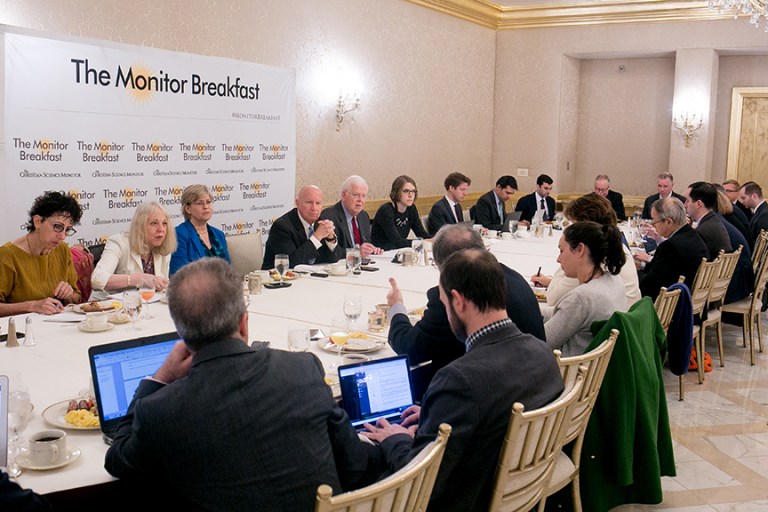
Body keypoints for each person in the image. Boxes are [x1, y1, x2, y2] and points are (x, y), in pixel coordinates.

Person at [104, 258, 375, 511]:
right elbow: (354, 463)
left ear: (182, 336)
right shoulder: (303, 369)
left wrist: (161, 377)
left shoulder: (161, 410)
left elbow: (117, 461)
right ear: (244, 323)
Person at [363, 249, 563, 512]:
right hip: (521, 495)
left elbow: (420, 480)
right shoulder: (544, 353)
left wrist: (394, 438)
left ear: (457, 301)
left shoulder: (459, 379)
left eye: (445, 304)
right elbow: (487, 414)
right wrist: (436, 414)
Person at [386, 222, 545, 382]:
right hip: (533, 385)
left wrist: (396, 307)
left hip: (484, 388)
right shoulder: (515, 278)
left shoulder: (455, 297)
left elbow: (410, 350)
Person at [531, 193, 641, 310]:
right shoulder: (616, 247)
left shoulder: (594, 257)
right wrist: (551, 282)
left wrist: (568, 252)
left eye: (574, 224)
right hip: (628, 319)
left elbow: (553, 297)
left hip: (611, 325)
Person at [544, 221, 627, 356]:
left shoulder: (582, 298)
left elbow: (542, 342)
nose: (558, 259)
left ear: (580, 249)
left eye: (561, 251)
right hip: (595, 369)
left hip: (568, 372)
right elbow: (564, 316)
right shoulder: (614, 281)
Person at [0, 191, 83, 317]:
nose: (62, 236)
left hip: (57, 326)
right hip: (22, 330)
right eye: (58, 227)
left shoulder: (63, 250)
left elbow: (78, 298)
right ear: (37, 221)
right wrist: (32, 306)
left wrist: (69, 294)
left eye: (67, 230)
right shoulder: (8, 254)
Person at [90, 202, 176, 300]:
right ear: (140, 226)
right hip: (111, 308)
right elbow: (97, 279)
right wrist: (139, 279)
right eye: (154, 223)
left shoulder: (163, 248)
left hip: (147, 307)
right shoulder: (119, 243)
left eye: (164, 223)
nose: (161, 229)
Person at [635, 197, 708, 300]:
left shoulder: (671, 247)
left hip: (672, 306)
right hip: (687, 300)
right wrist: (641, 265)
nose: (653, 225)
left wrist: (631, 273)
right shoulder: (693, 235)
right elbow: (660, 271)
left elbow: (649, 286)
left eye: (655, 221)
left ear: (668, 222)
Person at [262, 185, 342, 269]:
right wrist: (316, 237)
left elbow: (334, 258)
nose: (314, 208)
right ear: (297, 203)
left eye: (318, 203)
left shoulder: (321, 221)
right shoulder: (282, 227)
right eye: (309, 202)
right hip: (277, 278)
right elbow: (290, 264)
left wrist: (330, 239)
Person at [169, 184, 230, 275]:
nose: (206, 206)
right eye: (200, 203)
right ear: (188, 209)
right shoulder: (179, 234)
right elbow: (178, 273)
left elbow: (228, 268)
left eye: (208, 202)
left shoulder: (219, 234)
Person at [320, 175, 383, 259]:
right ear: (343, 195)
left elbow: (364, 247)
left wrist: (371, 249)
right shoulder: (329, 216)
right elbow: (331, 253)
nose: (360, 200)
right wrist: (356, 252)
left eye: (363, 196)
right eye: (356, 195)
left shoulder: (363, 216)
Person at [371, 175, 430, 250]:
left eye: (413, 191)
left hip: (398, 251)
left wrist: (436, 240)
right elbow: (396, 241)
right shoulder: (386, 210)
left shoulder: (411, 209)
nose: (411, 195)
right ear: (397, 192)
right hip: (381, 253)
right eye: (406, 191)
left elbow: (421, 233)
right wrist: (420, 243)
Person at [685, 182, 731, 261]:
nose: (685, 204)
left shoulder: (703, 230)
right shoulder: (713, 220)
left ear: (698, 204)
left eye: (687, 201)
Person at [426, 172, 472, 236]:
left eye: (466, 190)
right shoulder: (438, 208)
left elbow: (461, 228)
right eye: (462, 190)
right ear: (451, 188)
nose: (465, 193)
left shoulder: (458, 206)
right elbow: (443, 233)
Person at [739, 181, 768, 246]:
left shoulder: (764, 215)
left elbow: (762, 244)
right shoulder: (760, 211)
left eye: (743, 198)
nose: (742, 202)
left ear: (754, 196)